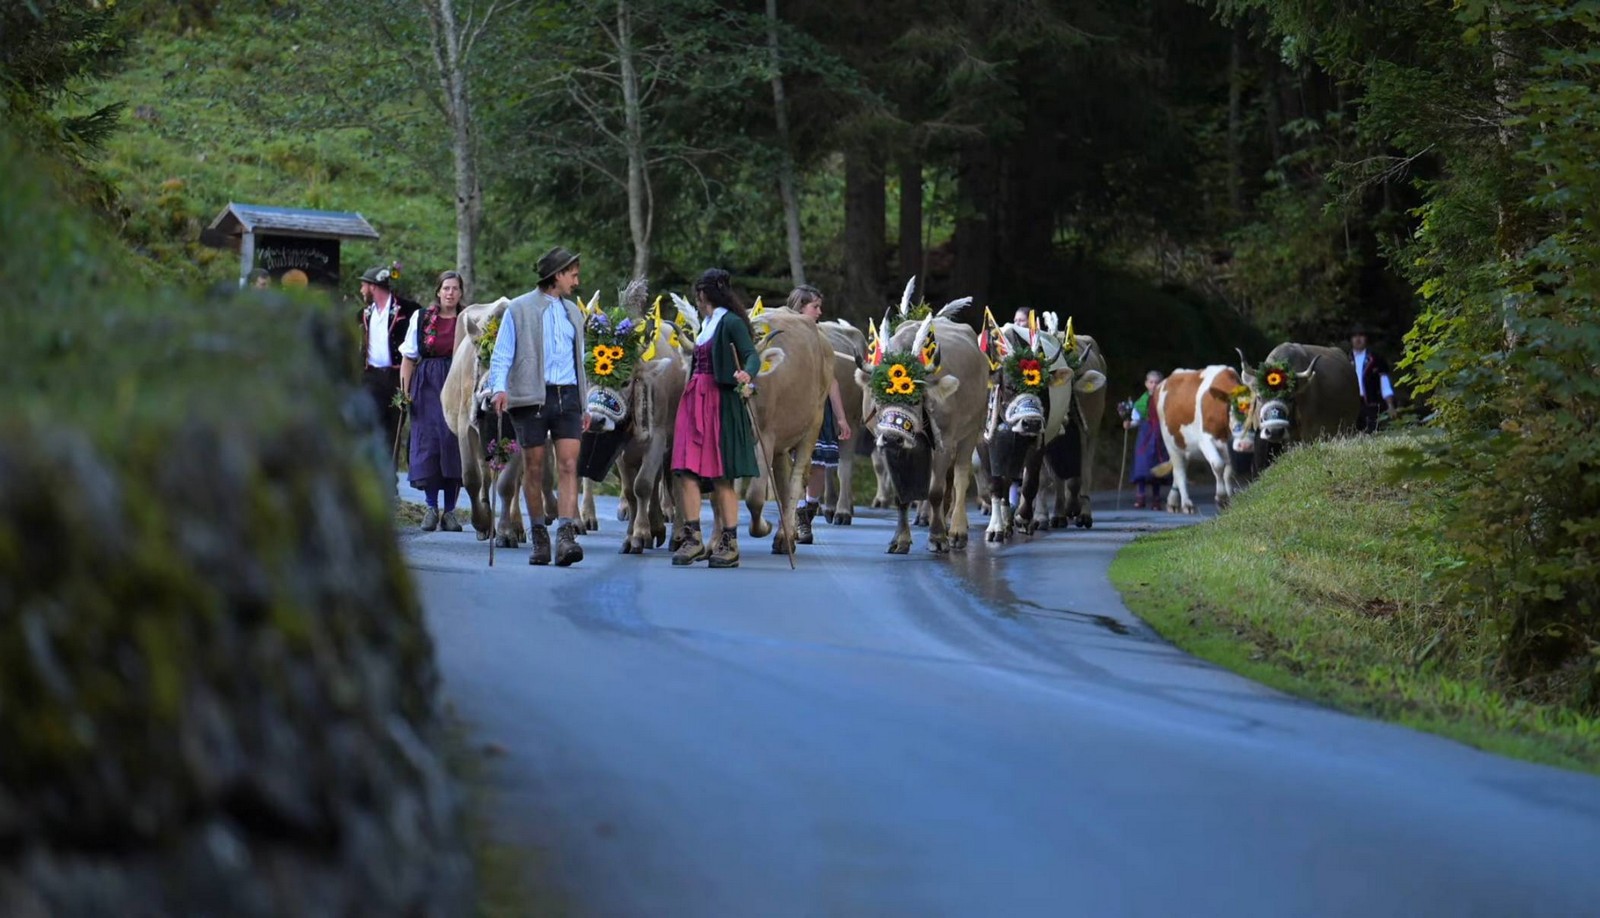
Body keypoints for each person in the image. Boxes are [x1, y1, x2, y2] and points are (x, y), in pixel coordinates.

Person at [487, 247, 590, 567]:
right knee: (533, 467)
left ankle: (566, 537)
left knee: (569, 465)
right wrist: (499, 388)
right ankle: (539, 537)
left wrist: (584, 403)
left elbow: (580, 360)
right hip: (531, 396)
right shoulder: (518, 309)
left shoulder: (573, 312)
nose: (577, 281)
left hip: (568, 395)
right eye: (573, 275)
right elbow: (502, 354)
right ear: (557, 275)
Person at [670, 268, 762, 569]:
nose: (697, 300)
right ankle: (693, 538)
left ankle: (729, 543)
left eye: (698, 294)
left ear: (704, 294)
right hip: (694, 399)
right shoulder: (706, 324)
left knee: (722, 474)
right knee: (685, 470)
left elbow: (752, 354)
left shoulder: (730, 322)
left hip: (718, 401)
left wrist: (747, 373)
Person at [400, 271, 467, 532]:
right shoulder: (422, 318)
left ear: (461, 293)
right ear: (438, 291)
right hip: (427, 385)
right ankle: (430, 508)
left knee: (453, 444)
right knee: (428, 444)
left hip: (457, 382)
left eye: (455, 288)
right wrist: (404, 392)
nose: (450, 293)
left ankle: (450, 512)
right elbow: (408, 357)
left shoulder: (466, 319)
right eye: (446, 288)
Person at [787, 285, 852, 544]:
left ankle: (807, 513)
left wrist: (841, 417)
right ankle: (795, 515)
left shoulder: (820, 338)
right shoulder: (784, 334)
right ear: (800, 307)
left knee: (818, 465)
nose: (820, 312)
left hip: (817, 407)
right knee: (789, 465)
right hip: (790, 407)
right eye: (815, 307)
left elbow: (831, 381)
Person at [358, 263, 419, 471]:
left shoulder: (408, 310)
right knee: (369, 425)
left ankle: (388, 477)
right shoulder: (365, 313)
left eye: (363, 285)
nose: (361, 290)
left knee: (393, 428)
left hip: (396, 376)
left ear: (373, 287)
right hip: (371, 377)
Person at [1125, 369, 1172, 510]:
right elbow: (1137, 419)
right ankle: (1140, 496)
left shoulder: (1166, 400)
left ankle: (1156, 498)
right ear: (1146, 384)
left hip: (1160, 436)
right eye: (1151, 382)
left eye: (1157, 382)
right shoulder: (1142, 401)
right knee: (1142, 465)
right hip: (1145, 436)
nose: (1154, 385)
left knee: (1157, 466)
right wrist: (1130, 424)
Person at [1350, 325, 1398, 433]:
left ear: (1366, 338)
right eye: (1355, 336)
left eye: (1361, 335)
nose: (1358, 339)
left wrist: (1390, 405)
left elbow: (1384, 384)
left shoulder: (1376, 359)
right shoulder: (1346, 360)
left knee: (1372, 433)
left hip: (1372, 405)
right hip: (1352, 405)